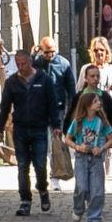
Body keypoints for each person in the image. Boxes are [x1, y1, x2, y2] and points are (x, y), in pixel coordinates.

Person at [0, 47, 65, 217]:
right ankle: (25, 200)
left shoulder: (44, 80)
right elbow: (5, 107)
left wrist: (56, 125)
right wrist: (0, 128)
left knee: (40, 164)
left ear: (30, 62)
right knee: (22, 165)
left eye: (23, 64)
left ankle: (42, 190)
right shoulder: (12, 82)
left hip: (39, 128)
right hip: (20, 129)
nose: (21, 67)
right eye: (18, 64)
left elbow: (52, 104)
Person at [63, 87, 112, 222]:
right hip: (81, 157)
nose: (99, 103)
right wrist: (78, 147)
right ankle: (78, 208)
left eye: (98, 101)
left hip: (96, 159)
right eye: (95, 101)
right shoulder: (78, 122)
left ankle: (95, 216)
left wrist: (102, 148)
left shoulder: (101, 122)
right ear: (87, 105)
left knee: (97, 189)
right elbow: (67, 139)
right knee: (82, 187)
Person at [36, 35, 79, 193]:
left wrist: (73, 110)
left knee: (55, 143)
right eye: (47, 52)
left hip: (58, 109)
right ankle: (42, 176)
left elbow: (71, 89)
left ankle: (55, 177)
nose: (50, 55)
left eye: (53, 51)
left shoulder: (63, 64)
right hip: (39, 109)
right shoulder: (36, 64)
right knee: (42, 144)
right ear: (41, 50)